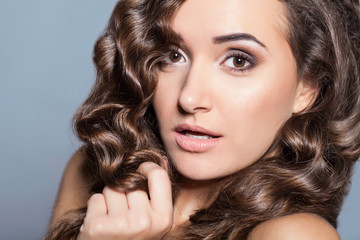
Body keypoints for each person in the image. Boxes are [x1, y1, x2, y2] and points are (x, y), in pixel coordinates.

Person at [45, 0, 360, 239]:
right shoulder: (90, 170)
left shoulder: (294, 234)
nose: (189, 98)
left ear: (307, 87)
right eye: (173, 55)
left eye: (238, 60)